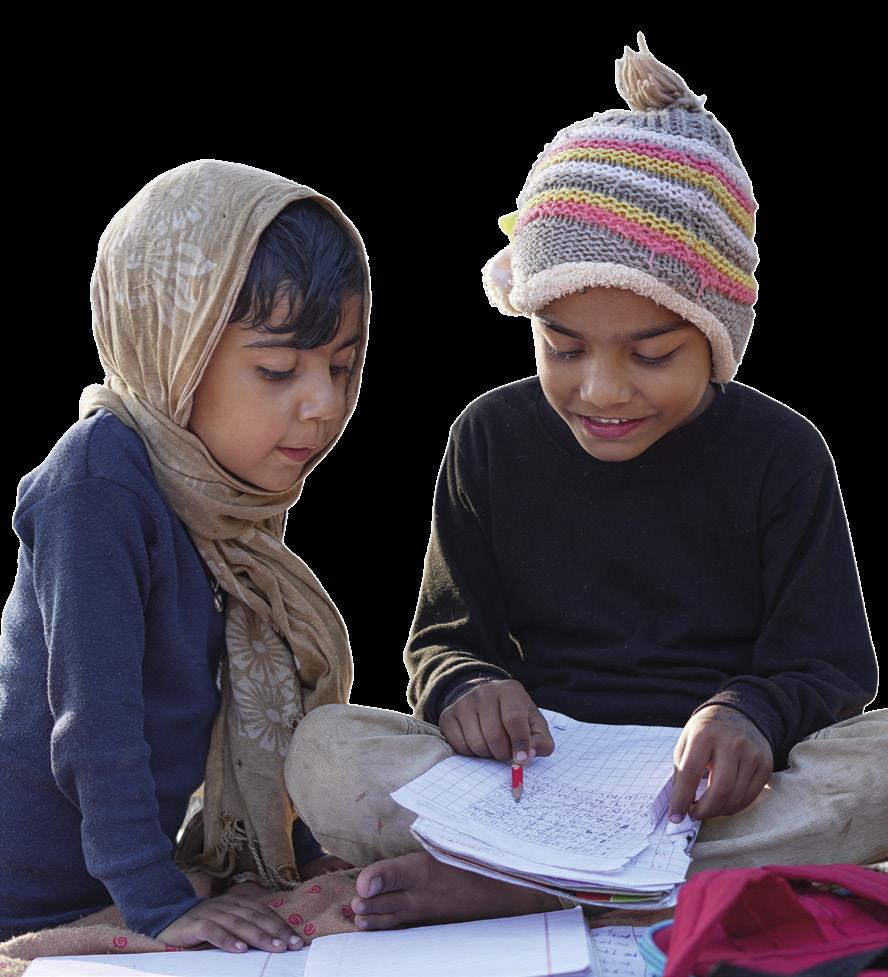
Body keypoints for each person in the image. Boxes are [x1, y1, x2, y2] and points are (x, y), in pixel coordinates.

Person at [283, 32, 883, 931]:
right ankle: (620, 879)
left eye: (652, 354)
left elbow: (830, 664)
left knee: (877, 763)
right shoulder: (488, 438)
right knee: (326, 752)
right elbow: (441, 641)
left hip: (706, 789)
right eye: (563, 348)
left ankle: (533, 883)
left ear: (717, 335)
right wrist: (466, 688)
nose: (601, 390)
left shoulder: (784, 454)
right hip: (535, 778)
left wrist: (750, 712)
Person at [0, 159, 371, 952]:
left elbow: (254, 704)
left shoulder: (222, 493)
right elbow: (95, 727)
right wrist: (157, 905)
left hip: (124, 872)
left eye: (341, 367)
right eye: (278, 370)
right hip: (32, 892)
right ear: (175, 346)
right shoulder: (98, 485)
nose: (324, 402)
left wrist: (304, 851)